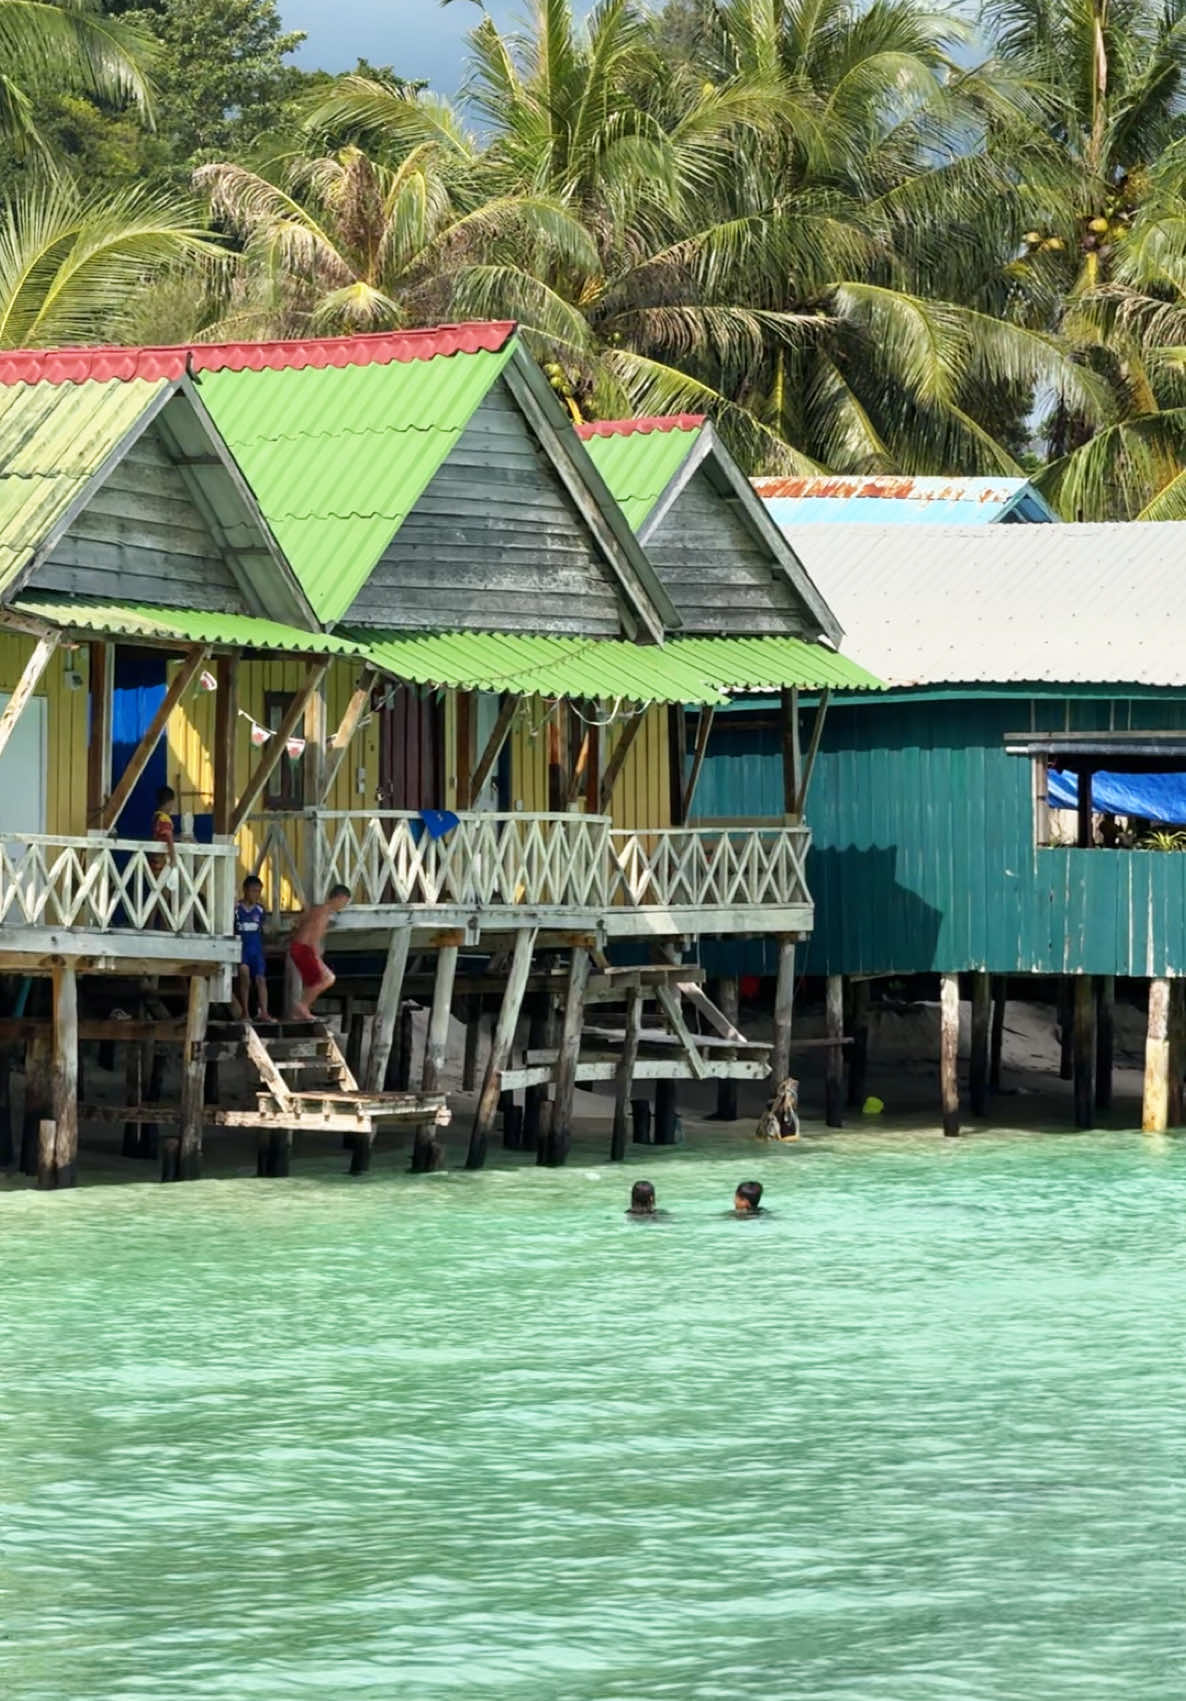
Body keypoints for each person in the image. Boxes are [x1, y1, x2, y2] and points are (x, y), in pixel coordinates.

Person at [288, 884, 350, 1020]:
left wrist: (294, 936)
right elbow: (314, 938)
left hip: (296, 947)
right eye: (344, 902)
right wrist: (317, 957)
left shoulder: (315, 909)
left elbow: (295, 922)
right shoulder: (324, 914)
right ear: (339, 898)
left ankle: (300, 1012)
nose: (343, 906)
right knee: (327, 978)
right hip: (305, 949)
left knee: (313, 982)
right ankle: (302, 1007)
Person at [234, 875, 273, 1023]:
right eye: (253, 891)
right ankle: (245, 1013)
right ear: (245, 890)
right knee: (244, 978)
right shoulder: (236, 910)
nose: (256, 895)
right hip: (242, 950)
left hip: (256, 950)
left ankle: (264, 1012)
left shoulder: (260, 910)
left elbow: (264, 929)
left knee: (261, 979)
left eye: (258, 891)